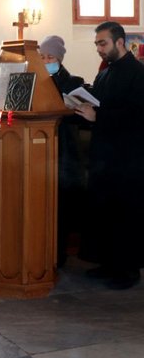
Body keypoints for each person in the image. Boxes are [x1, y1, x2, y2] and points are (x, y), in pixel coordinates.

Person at [75, 21, 144, 290]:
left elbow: (137, 115)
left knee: (125, 214)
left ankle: (128, 270)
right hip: (104, 155)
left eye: (102, 43)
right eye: (96, 44)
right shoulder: (106, 73)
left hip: (129, 158)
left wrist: (98, 115)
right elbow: (99, 103)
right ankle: (107, 263)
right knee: (104, 211)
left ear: (119, 42)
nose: (99, 49)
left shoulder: (138, 74)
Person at [38, 35, 86, 267]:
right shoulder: (34, 80)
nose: (46, 60)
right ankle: (42, 253)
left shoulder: (73, 82)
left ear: (60, 58)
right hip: (39, 153)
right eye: (43, 57)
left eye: (51, 57)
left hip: (65, 152)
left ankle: (59, 257)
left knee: (62, 208)